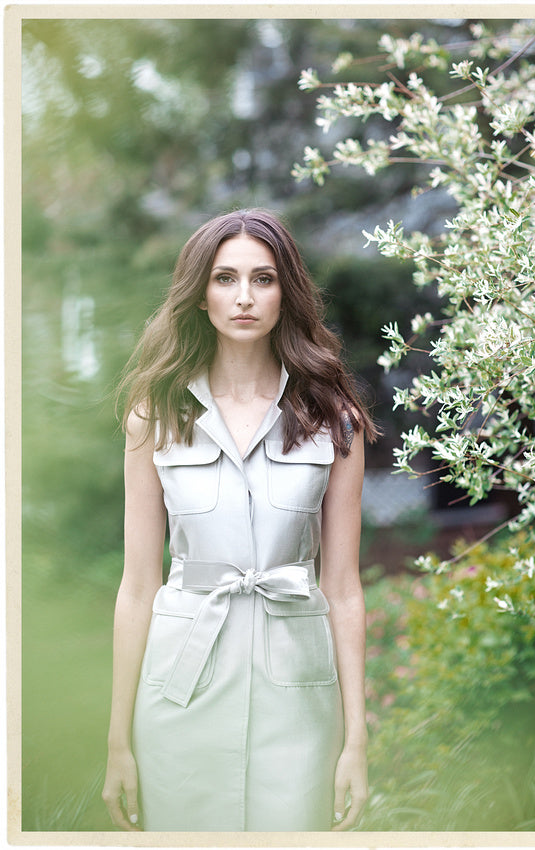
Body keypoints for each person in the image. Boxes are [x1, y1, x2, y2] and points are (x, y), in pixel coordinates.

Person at [102, 208, 378, 832]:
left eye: (264, 278)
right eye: (226, 278)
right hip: (180, 693)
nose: (245, 297)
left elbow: (343, 590)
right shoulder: (155, 415)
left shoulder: (335, 423)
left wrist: (355, 741)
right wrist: (118, 742)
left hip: (300, 703)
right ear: (200, 295)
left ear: (288, 293)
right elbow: (138, 586)